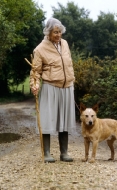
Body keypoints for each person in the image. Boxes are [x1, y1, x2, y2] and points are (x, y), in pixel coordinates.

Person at [30, 17, 76, 163]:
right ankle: (47, 153)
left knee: (65, 119)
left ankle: (64, 153)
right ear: (48, 32)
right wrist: (34, 84)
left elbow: (69, 64)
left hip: (67, 86)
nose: (58, 35)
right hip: (50, 86)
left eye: (60, 31)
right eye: (55, 32)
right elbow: (35, 71)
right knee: (47, 119)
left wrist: (71, 78)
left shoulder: (65, 44)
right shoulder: (40, 49)